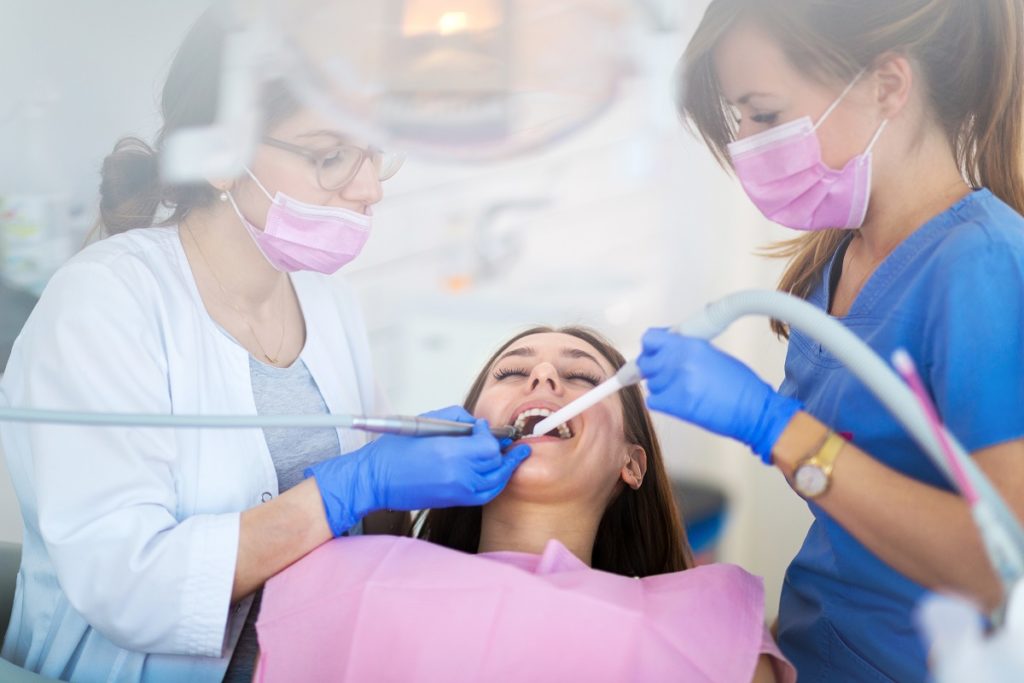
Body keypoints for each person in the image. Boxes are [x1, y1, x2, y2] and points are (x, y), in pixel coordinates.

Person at [0, 6, 529, 682]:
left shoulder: (327, 302)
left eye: (374, 151)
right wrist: (348, 488)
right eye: (330, 155)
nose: (367, 188)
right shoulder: (106, 302)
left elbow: (370, 520)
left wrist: (425, 469)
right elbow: (126, 586)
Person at [636, 0, 1024, 679]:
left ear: (887, 85)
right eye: (738, 121)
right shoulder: (837, 256)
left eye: (765, 114)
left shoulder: (982, 268)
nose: (748, 145)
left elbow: (1003, 566)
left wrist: (773, 425)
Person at [254, 327, 796, 683]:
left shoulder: (711, 627)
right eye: (512, 373)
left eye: (583, 376)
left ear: (631, 463)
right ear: (462, 429)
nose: (543, 377)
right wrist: (358, 484)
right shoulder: (340, 579)